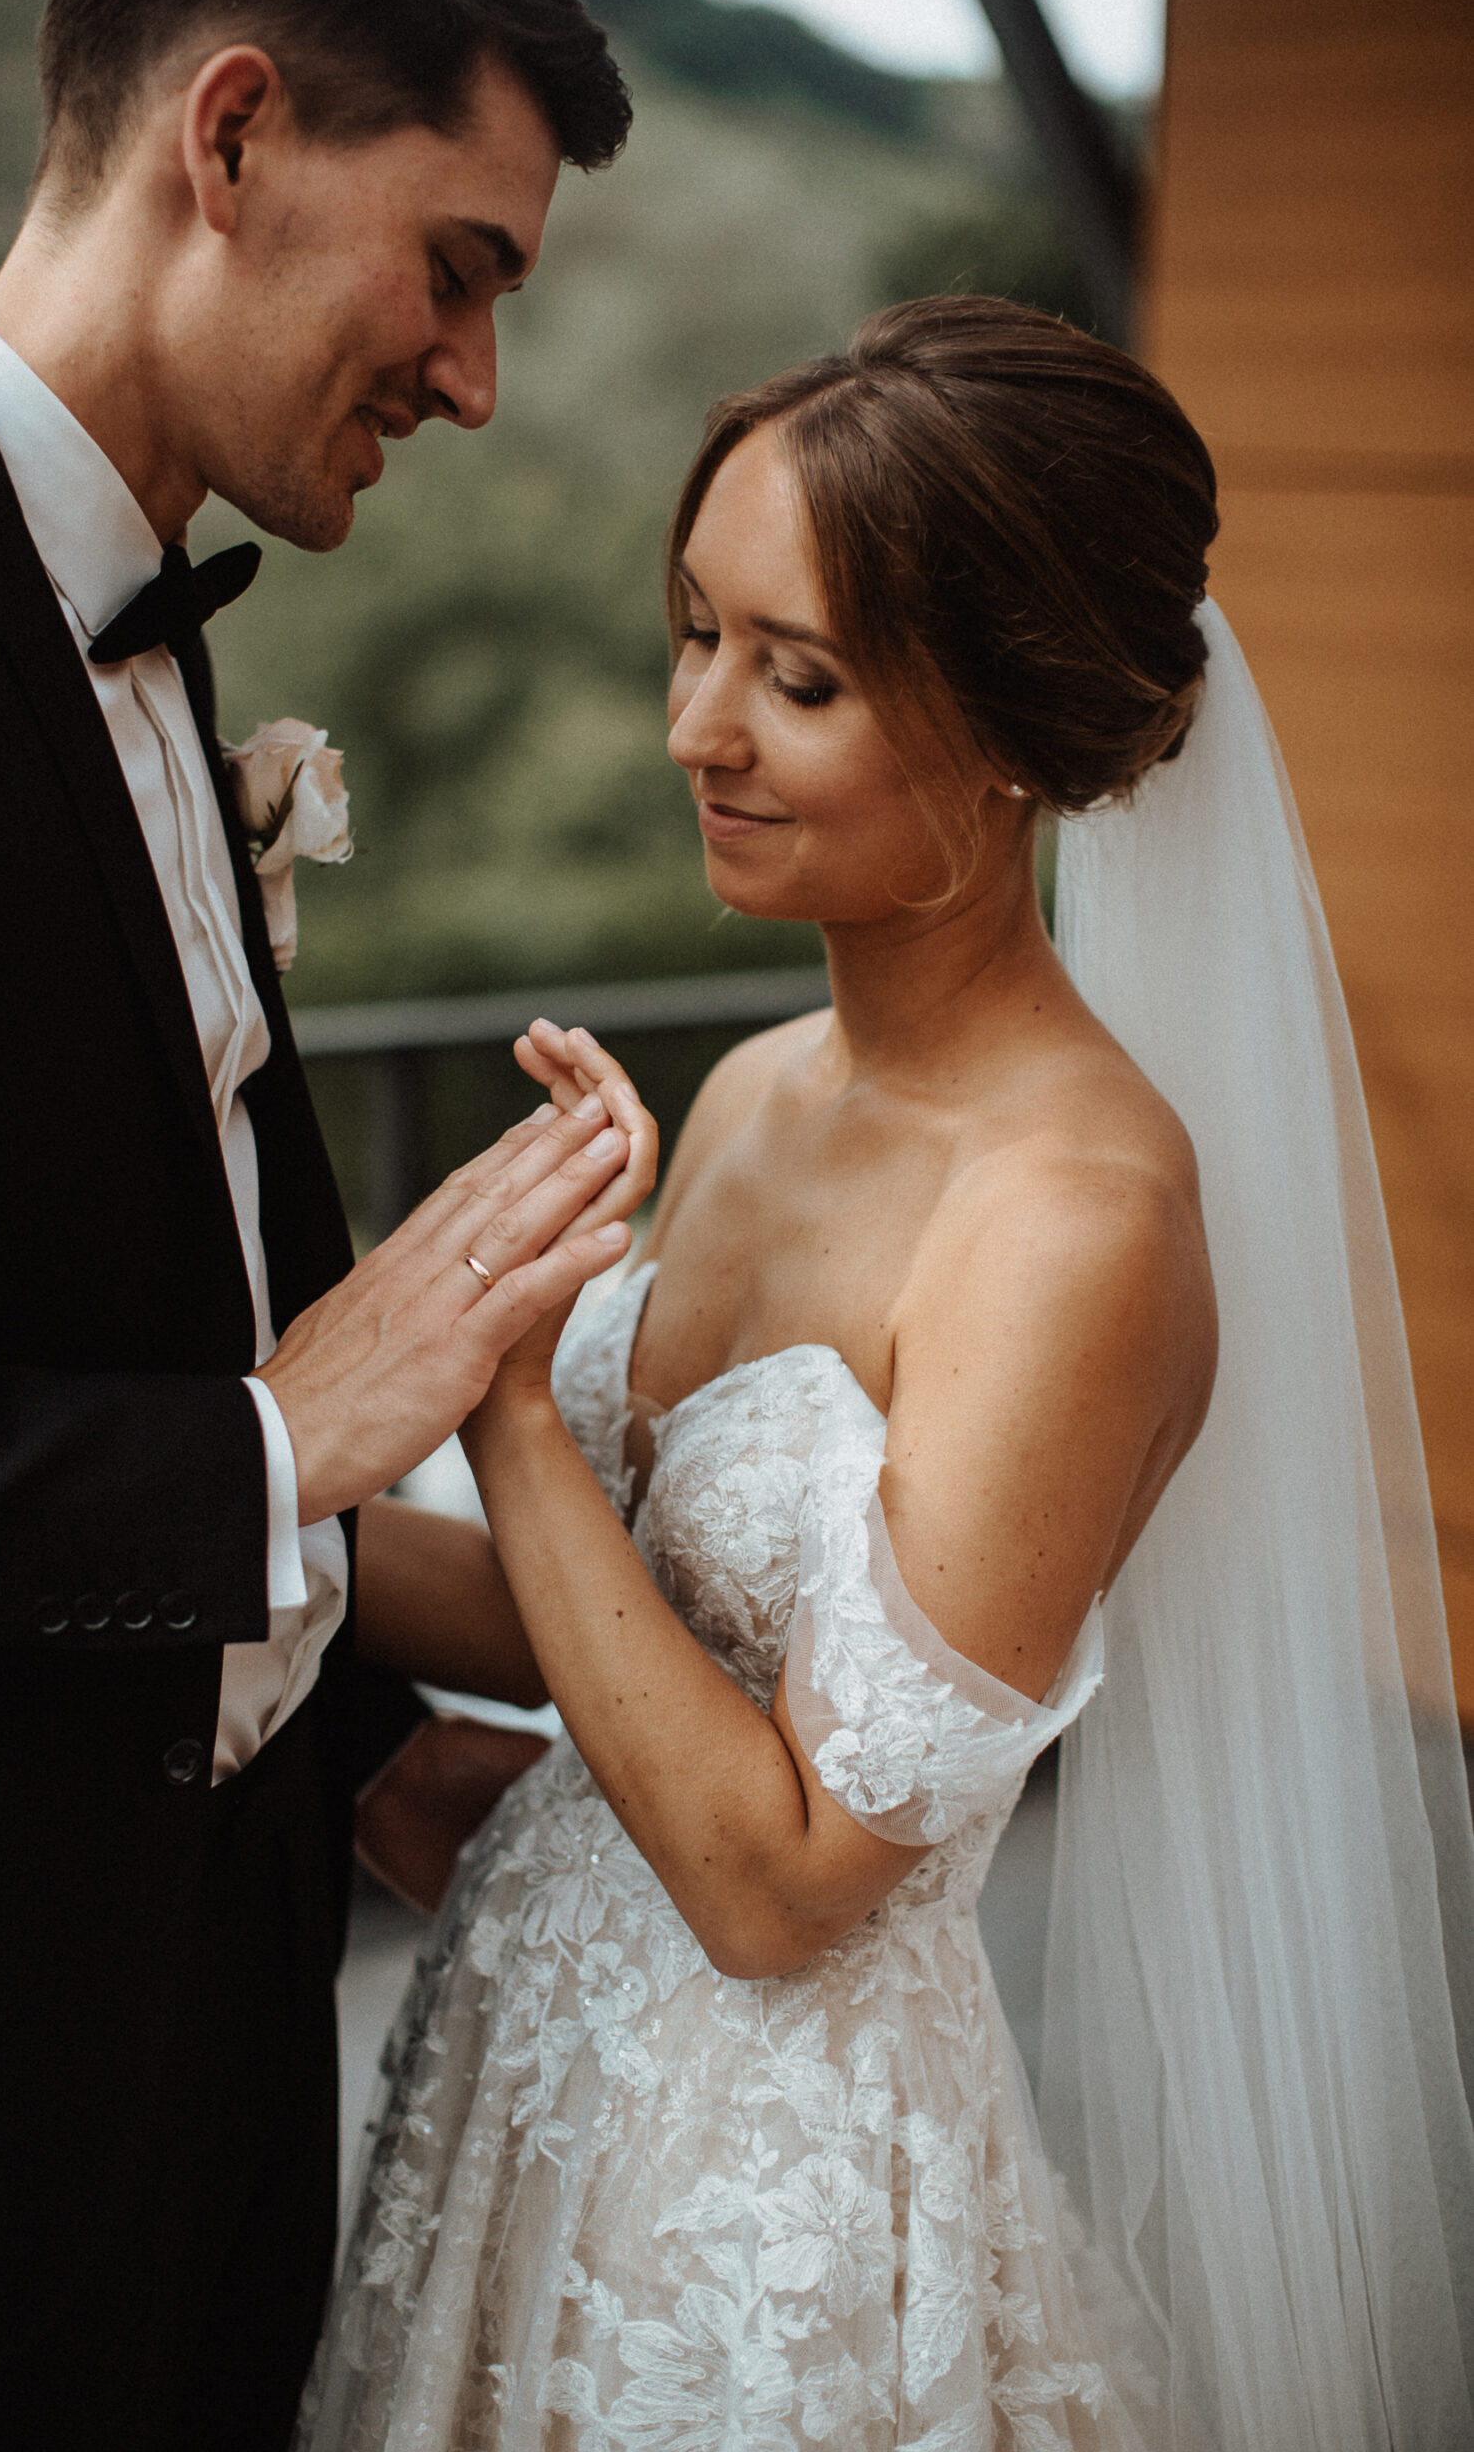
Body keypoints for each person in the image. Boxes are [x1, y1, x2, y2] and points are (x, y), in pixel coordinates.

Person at [314, 299, 1474, 2450]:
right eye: (693, 635)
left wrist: (490, 1384)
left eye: (798, 674)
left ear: (1011, 723)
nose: (694, 727)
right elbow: (632, 1624)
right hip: (519, 2075)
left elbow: (779, 1875)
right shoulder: (756, 1086)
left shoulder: (1075, 1218)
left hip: (759, 2202)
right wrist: (254, 1475)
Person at [0, 0, 653, 2447]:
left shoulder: (154, 647)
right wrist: (278, 1437)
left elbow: (77, 1285)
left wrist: (371, 1735)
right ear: (234, 134)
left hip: (210, 2091)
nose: (478, 380)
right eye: (458, 270)